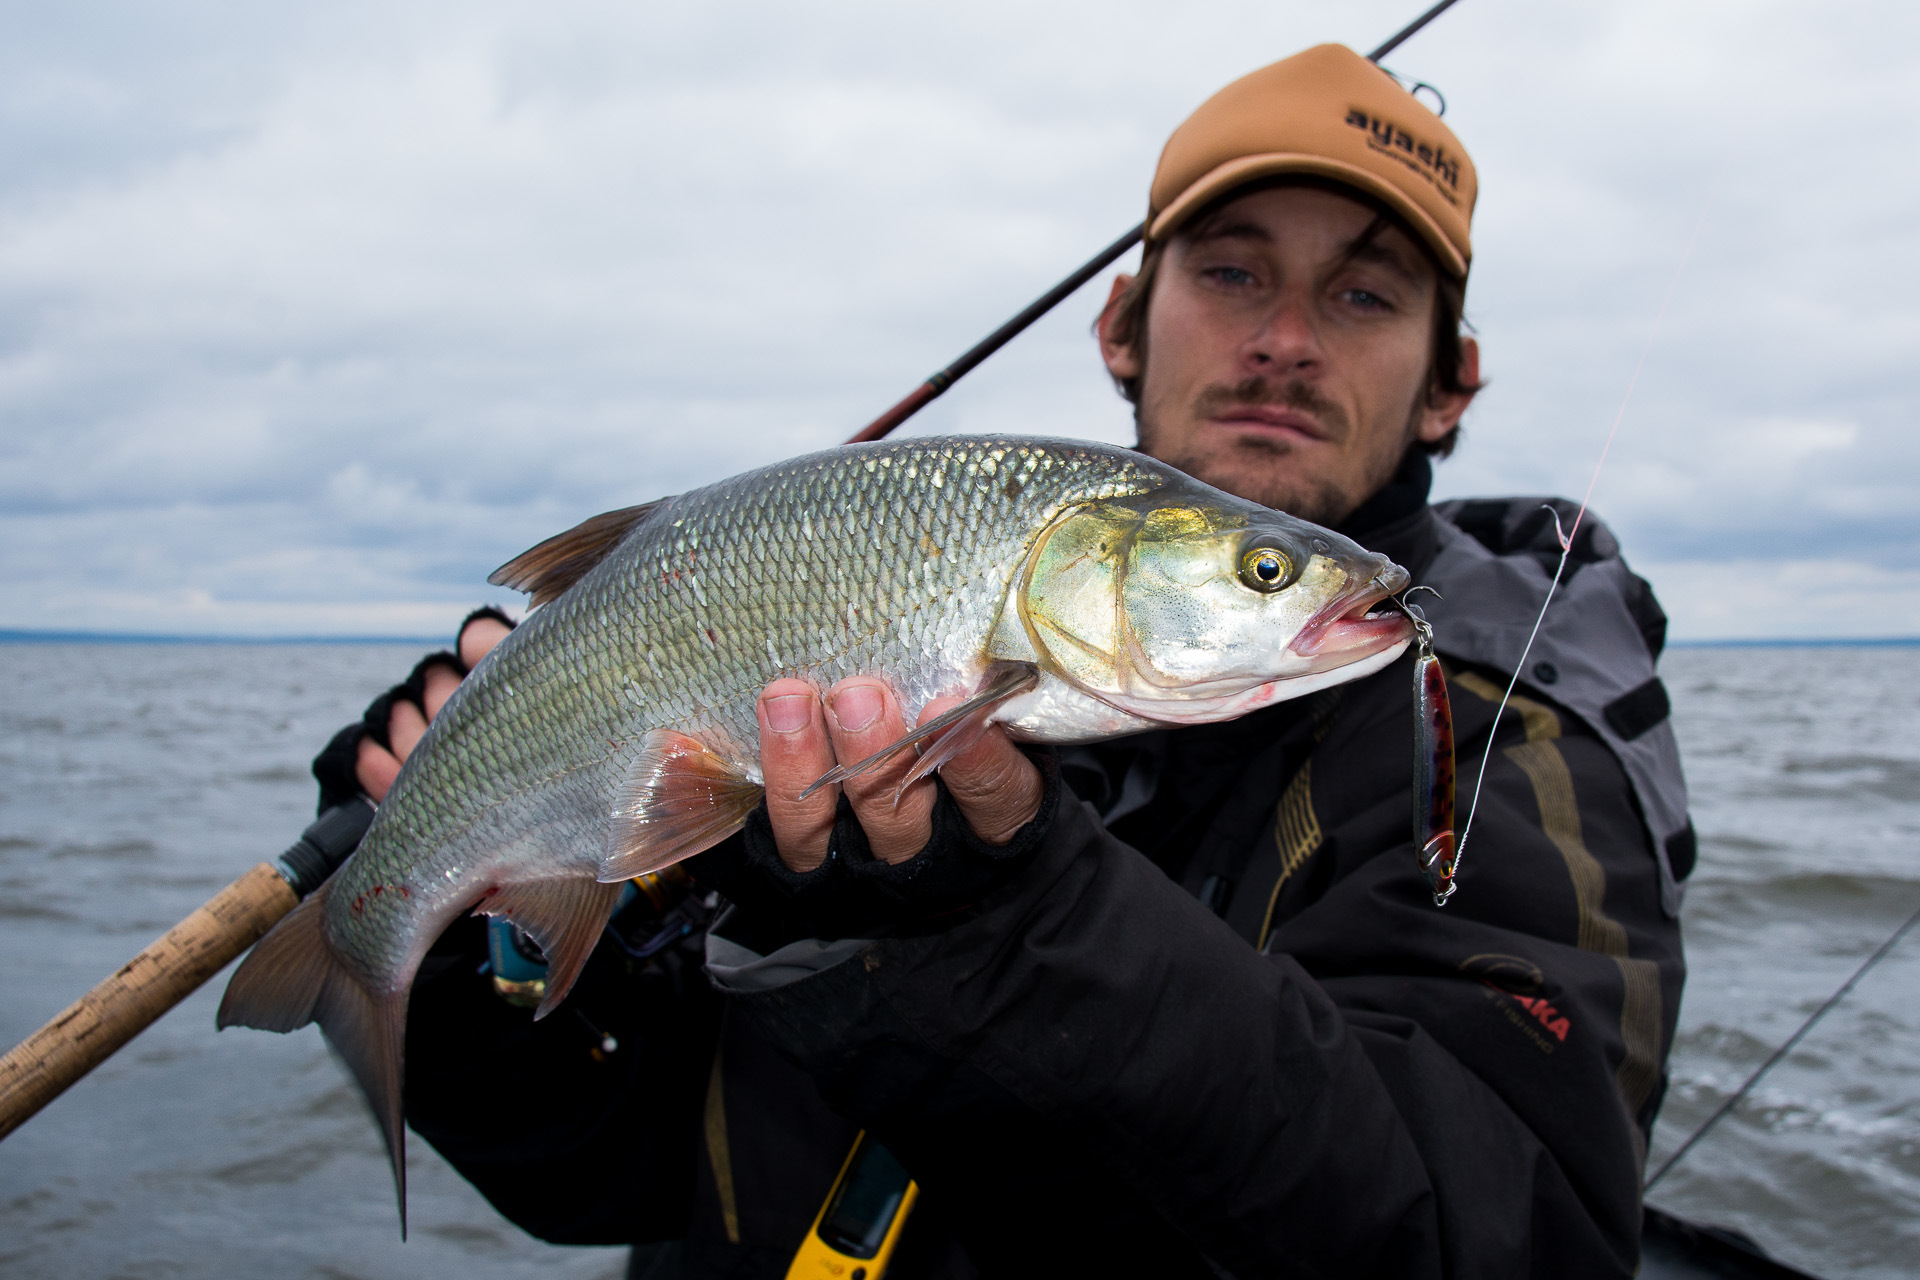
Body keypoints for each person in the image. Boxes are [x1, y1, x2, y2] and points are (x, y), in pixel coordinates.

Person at [315, 45, 1690, 1278]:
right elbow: (633, 1164)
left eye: (1365, 294)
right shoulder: (925, 583)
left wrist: (988, 927)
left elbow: (1491, 1236)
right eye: (1230, 272)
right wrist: (457, 948)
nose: (1284, 339)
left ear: (1450, 380)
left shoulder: (1504, 723)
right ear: (1120, 327)